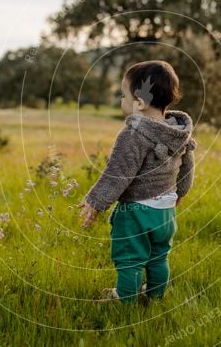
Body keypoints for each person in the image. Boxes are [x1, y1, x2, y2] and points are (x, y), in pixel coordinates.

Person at [78, 60, 197, 304]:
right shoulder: (177, 132)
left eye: (124, 95)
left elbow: (118, 173)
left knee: (130, 259)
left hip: (136, 212)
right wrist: (181, 192)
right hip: (165, 211)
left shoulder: (133, 134)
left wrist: (95, 201)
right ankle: (155, 296)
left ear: (140, 102)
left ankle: (125, 301)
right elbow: (187, 167)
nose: (121, 100)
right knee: (158, 256)